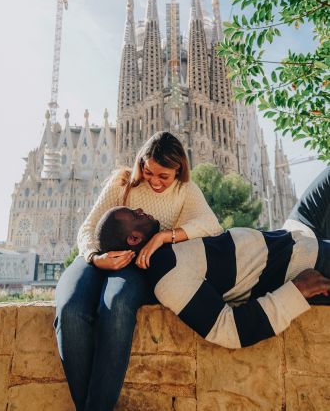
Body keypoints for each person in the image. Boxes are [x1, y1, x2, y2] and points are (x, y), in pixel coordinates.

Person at [54, 131, 223, 411]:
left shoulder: (186, 191)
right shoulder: (123, 181)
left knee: (117, 305)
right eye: (148, 171)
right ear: (140, 163)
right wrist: (96, 258)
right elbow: (88, 226)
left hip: (137, 267)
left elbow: (211, 225)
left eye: (163, 176)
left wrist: (163, 236)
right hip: (95, 256)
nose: (155, 181)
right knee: (70, 309)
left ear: (178, 170)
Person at [95, 166, 330, 349]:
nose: (141, 210)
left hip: (293, 233)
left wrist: (165, 236)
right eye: (135, 215)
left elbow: (209, 221)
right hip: (304, 261)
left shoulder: (167, 244)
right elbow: (228, 330)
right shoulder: (168, 277)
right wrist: (297, 291)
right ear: (134, 239)